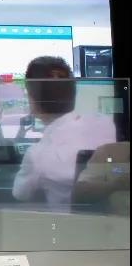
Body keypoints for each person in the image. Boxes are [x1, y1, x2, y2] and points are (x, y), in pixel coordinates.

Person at [12, 56, 116, 209]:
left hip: (63, 223)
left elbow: (20, 194)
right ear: (73, 94)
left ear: (33, 100)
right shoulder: (104, 123)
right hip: (108, 220)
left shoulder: (37, 155)